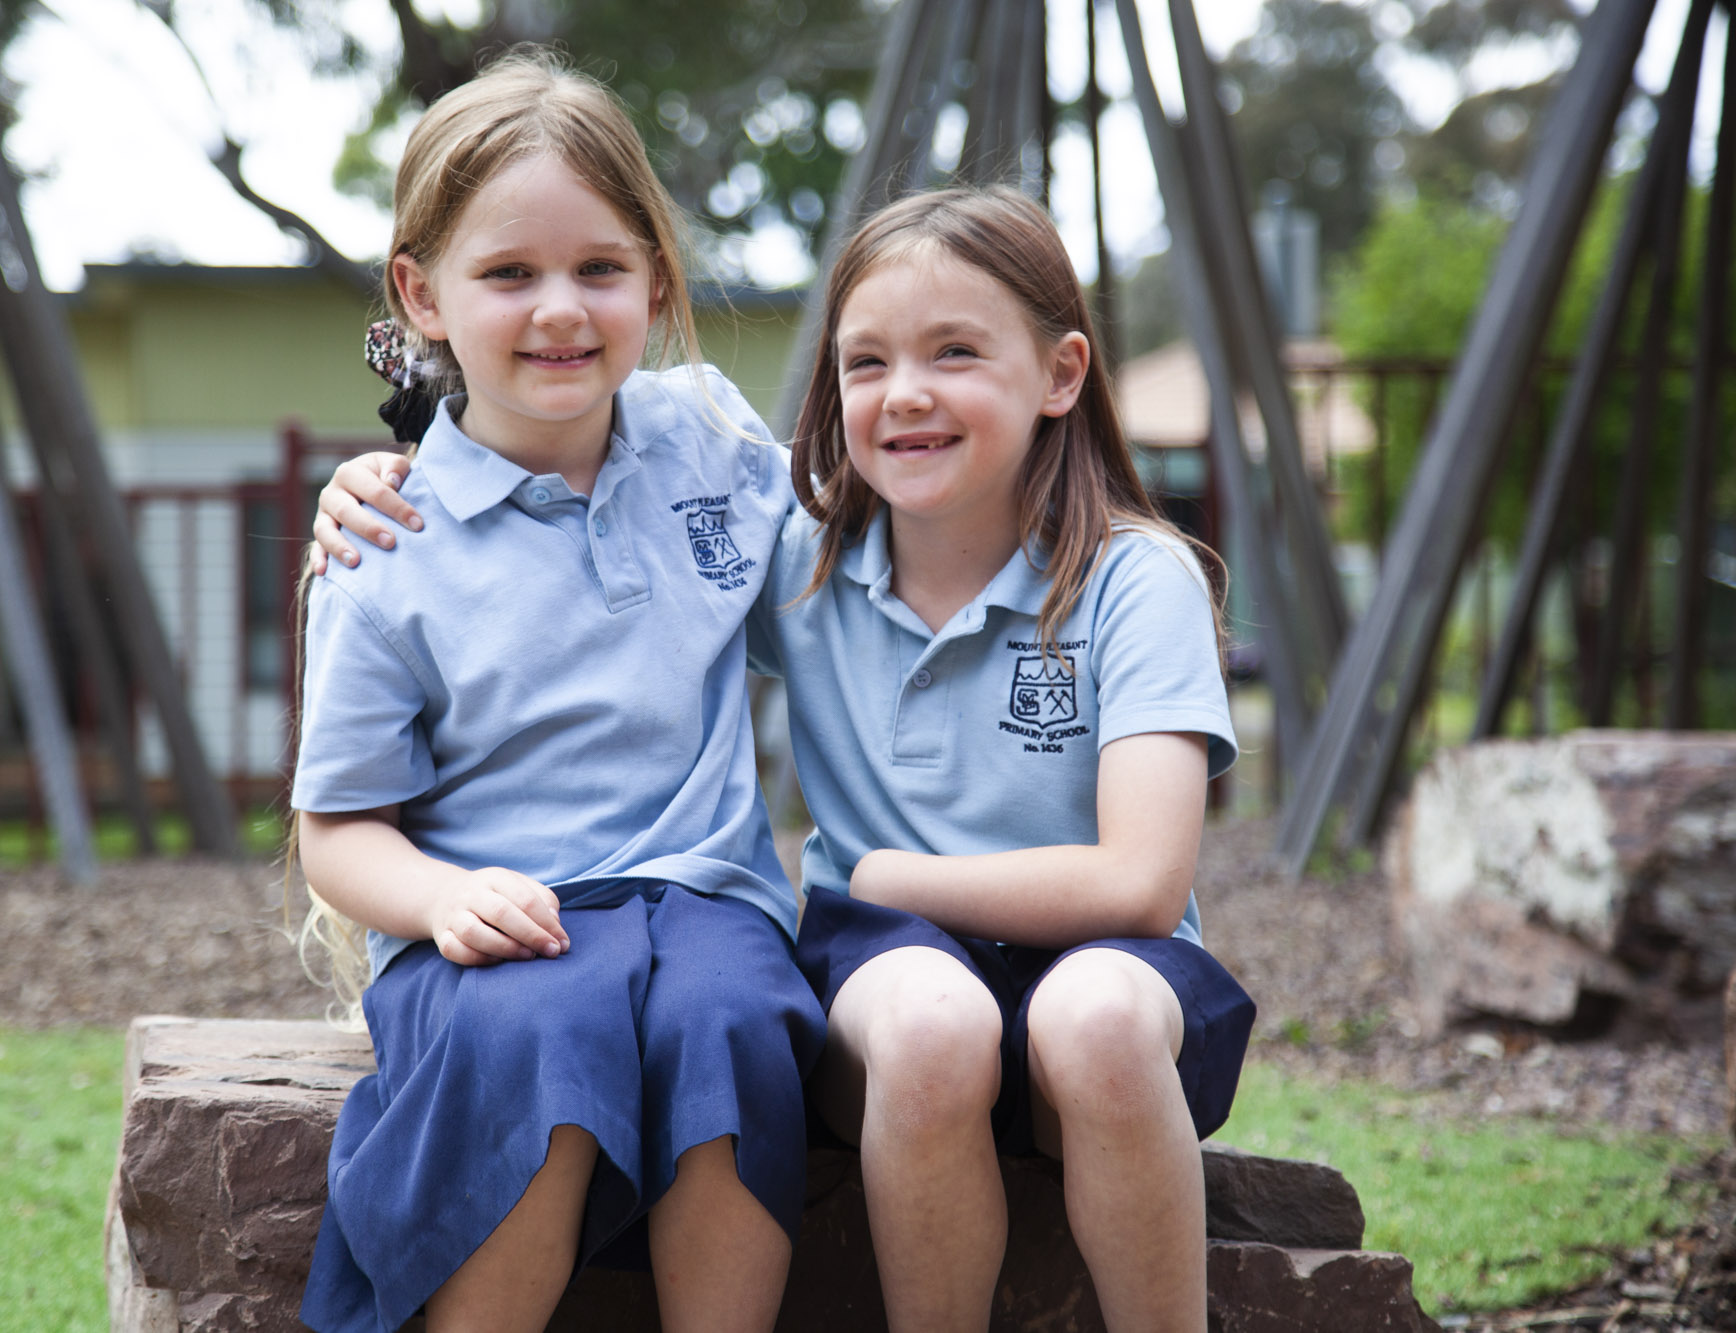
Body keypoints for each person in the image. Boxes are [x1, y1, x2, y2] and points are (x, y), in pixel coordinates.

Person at [313, 186, 1254, 1333]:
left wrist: (889, 875)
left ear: (1061, 374)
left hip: (1108, 968)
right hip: (896, 978)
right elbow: (590, 558)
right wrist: (388, 475)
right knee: (929, 1024)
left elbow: (1143, 886)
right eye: (865, 362)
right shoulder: (804, 560)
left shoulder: (1132, 577)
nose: (905, 392)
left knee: (1092, 1019)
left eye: (954, 352)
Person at [288, 49, 824, 1333]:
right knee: (549, 1021)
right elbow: (336, 833)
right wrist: (441, 896)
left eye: (597, 268)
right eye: (509, 274)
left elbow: (851, 575)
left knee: (733, 1012)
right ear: (421, 294)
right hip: (498, 927)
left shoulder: (708, 436)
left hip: (701, 894)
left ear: (653, 271)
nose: (560, 311)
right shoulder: (385, 546)